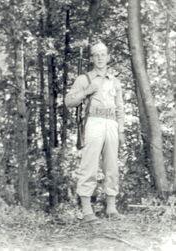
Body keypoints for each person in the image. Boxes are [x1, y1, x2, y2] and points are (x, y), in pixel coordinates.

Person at [65, 42, 125, 223]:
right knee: (89, 165)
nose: (100, 58)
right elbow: (69, 101)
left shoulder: (115, 81)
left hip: (112, 123)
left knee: (112, 166)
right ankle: (87, 211)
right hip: (94, 122)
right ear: (91, 58)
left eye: (103, 54)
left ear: (108, 57)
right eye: (96, 55)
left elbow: (120, 108)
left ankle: (111, 208)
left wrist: (121, 130)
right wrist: (85, 92)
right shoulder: (85, 79)